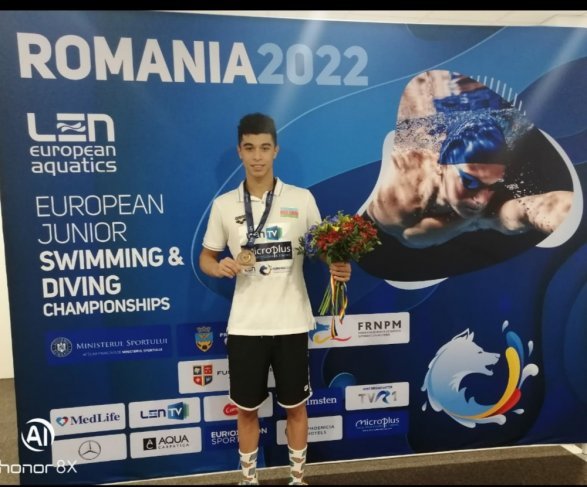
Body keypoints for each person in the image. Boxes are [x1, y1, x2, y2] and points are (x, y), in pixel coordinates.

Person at [199, 113, 351, 485]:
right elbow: (206, 257)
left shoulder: (301, 198)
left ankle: (297, 479)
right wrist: (217, 267)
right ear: (240, 151)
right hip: (246, 326)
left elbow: (322, 247)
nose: (257, 157)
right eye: (249, 148)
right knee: (246, 410)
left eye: (264, 148)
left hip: (291, 322)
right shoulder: (224, 205)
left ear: (275, 150)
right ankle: (248, 479)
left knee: (296, 408)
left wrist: (337, 263)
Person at [366, 116, 573, 249]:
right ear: (441, 165)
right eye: (470, 181)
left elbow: (507, 212)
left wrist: (546, 211)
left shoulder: (477, 190)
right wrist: (471, 221)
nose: (481, 199)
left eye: (491, 184)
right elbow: (412, 239)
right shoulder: (398, 195)